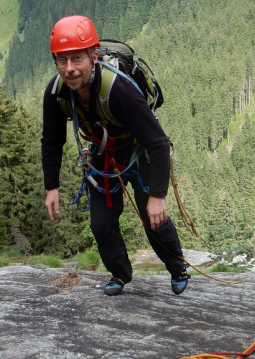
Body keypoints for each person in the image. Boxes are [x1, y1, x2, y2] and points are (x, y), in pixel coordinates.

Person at [41, 15, 189, 296]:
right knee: (102, 223)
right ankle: (120, 274)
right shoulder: (56, 93)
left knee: (153, 217)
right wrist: (52, 186)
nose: (70, 69)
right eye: (62, 60)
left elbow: (157, 143)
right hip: (103, 153)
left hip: (139, 150)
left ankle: (177, 267)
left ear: (93, 56)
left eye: (77, 59)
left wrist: (158, 197)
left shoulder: (119, 90)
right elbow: (51, 140)